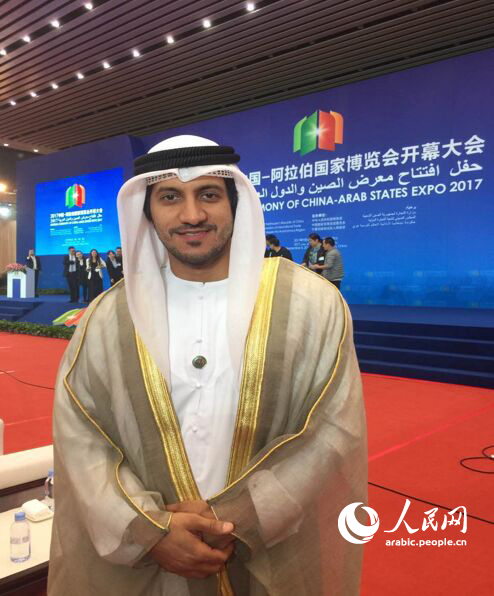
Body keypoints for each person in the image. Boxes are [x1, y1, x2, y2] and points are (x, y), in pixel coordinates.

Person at [49, 135, 366, 596]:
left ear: (235, 203)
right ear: (147, 211)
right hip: (149, 569)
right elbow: (81, 438)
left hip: (268, 550)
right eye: (170, 197)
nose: (192, 214)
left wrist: (235, 520)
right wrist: (149, 530)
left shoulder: (310, 304)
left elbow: (331, 430)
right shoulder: (107, 316)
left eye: (209, 194)